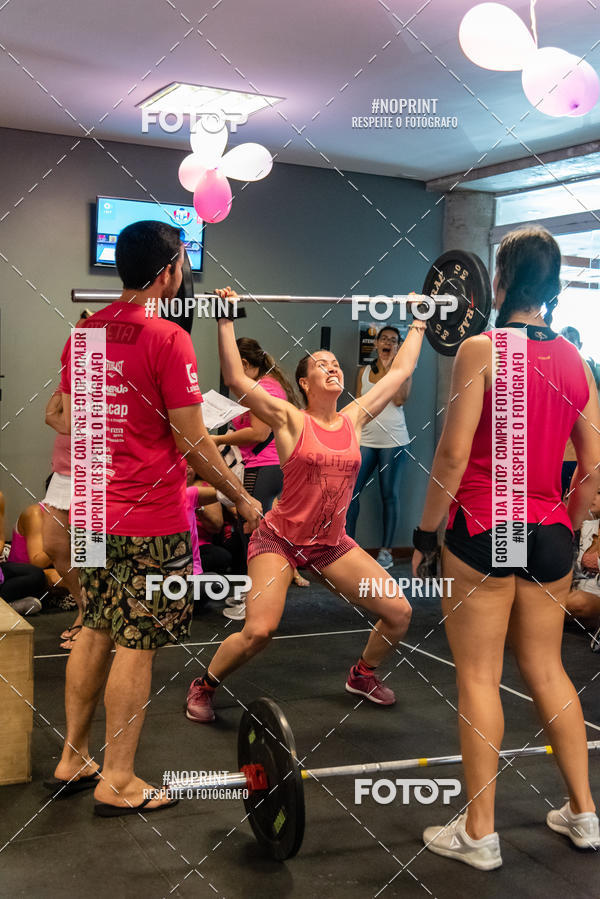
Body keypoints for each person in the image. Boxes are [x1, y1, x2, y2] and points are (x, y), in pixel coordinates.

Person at [47, 222, 261, 815]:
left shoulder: (83, 333)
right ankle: (117, 780)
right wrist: (240, 497)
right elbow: (193, 444)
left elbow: (62, 416)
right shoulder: (168, 338)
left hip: (91, 513)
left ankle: (73, 757)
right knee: (135, 643)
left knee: (93, 628)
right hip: (146, 521)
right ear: (169, 271)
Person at [412, 225, 600, 870]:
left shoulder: (482, 349)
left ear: (500, 282)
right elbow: (594, 466)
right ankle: (583, 813)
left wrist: (424, 531)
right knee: (548, 670)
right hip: (547, 534)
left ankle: (480, 833)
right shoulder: (577, 361)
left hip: (485, 529)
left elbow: (456, 450)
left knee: (478, 676)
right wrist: (570, 526)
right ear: (550, 287)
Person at [185, 286, 426, 724]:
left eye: (335, 364)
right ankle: (204, 683)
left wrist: (420, 320)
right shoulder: (289, 418)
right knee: (259, 630)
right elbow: (238, 380)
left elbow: (401, 369)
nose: (333, 368)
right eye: (322, 366)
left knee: (399, 612)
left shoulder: (354, 417)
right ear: (304, 382)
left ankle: (362, 673)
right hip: (279, 540)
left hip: (330, 544)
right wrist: (224, 318)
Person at [213, 337, 308, 619]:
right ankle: (258, 598)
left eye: (232, 366)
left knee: (252, 533)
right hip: (265, 467)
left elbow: (258, 433)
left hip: (263, 467)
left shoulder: (261, 388)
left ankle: (253, 600)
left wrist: (216, 438)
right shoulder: (268, 386)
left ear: (244, 364)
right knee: (257, 532)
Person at [346, 326, 412, 568]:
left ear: (398, 346)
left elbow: (400, 399)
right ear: (375, 343)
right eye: (383, 339)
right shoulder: (363, 371)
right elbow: (357, 405)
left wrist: (390, 366)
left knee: (389, 494)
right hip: (366, 440)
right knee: (351, 492)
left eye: (393, 341)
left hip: (393, 441)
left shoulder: (402, 371)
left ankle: (386, 552)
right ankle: (348, 548)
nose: (387, 343)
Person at [0, 492, 46, 615]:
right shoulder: (35, 514)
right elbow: (38, 560)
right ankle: (8, 607)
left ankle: (7, 605)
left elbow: (0, 538)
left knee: (37, 575)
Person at [565, 486, 600, 642]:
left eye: (599, 493)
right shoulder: (587, 525)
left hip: (593, 598)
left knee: (578, 601)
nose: (592, 496)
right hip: (575, 592)